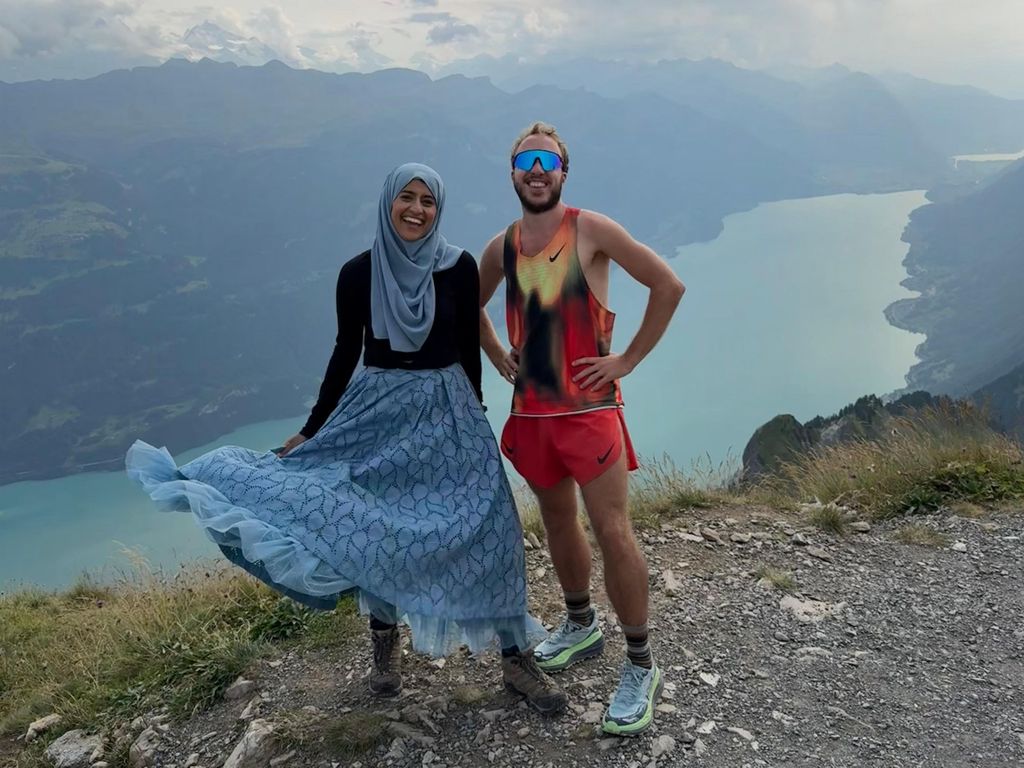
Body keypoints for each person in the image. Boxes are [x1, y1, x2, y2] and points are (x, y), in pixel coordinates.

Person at [126, 162, 566, 714]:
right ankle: (384, 648)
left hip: (448, 407)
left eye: (427, 201)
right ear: (387, 203)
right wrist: (313, 430)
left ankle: (515, 658)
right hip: (378, 410)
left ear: (439, 209)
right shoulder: (358, 273)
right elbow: (344, 353)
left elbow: (463, 343)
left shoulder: (458, 269)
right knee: (376, 525)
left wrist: (475, 409)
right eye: (406, 197)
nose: (416, 209)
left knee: (492, 523)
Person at [478, 123, 685, 735]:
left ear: (564, 172)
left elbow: (667, 285)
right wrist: (495, 353)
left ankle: (641, 664)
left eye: (547, 160)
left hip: (590, 415)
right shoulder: (502, 246)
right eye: (525, 161)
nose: (536, 170)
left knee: (612, 529)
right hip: (534, 416)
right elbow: (469, 305)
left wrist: (625, 361)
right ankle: (579, 623)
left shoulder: (590, 230)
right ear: (512, 172)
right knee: (559, 521)